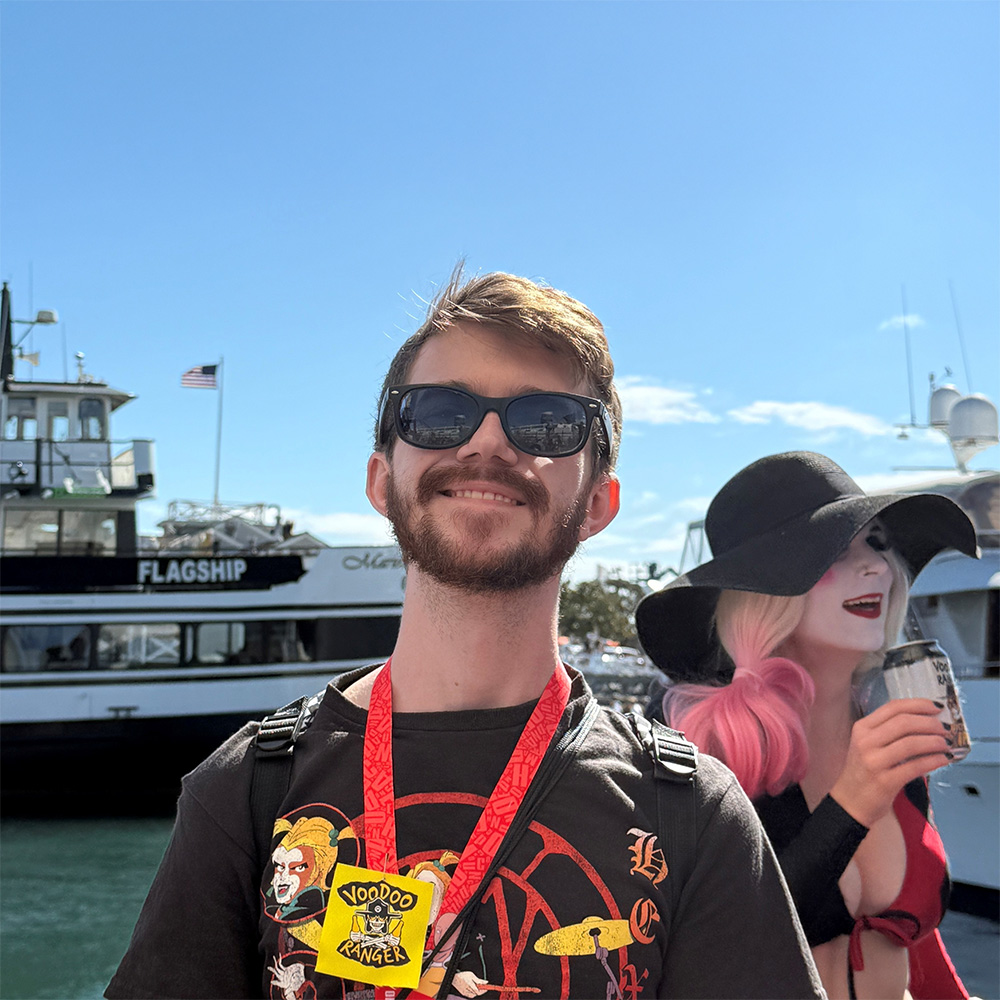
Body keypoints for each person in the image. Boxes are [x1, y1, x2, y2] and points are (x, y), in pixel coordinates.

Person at [106, 271, 824, 1000]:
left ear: (598, 504)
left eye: (546, 422)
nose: (486, 441)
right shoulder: (246, 791)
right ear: (381, 479)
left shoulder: (692, 812)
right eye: (439, 412)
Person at [635, 451, 979, 1000]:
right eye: (836, 550)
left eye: (878, 543)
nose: (875, 567)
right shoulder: (699, 744)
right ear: (766, 592)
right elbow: (728, 943)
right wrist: (854, 803)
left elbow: (914, 947)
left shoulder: (884, 727)